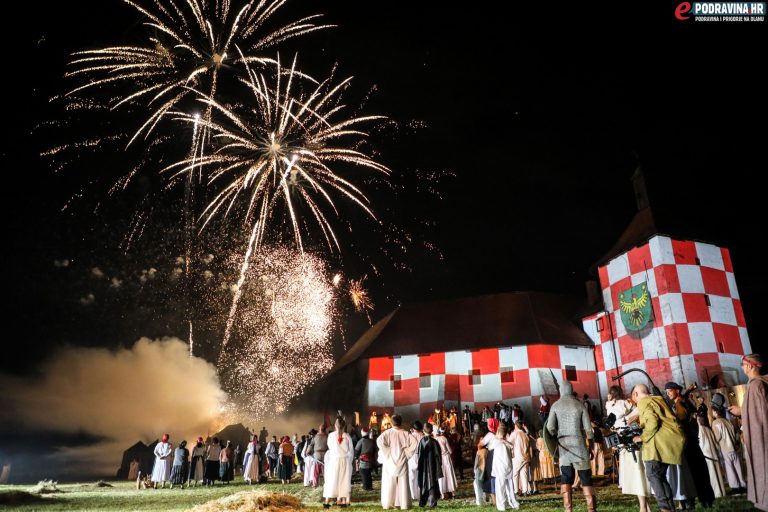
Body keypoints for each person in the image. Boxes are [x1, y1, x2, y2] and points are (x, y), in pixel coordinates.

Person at [632, 383, 686, 512]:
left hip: (656, 448)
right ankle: (669, 507)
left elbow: (652, 422)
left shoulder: (644, 402)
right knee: (660, 477)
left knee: (653, 476)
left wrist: (642, 437)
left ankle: (665, 508)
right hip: (668, 446)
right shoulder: (658, 399)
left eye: (634, 398)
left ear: (635, 394)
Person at [547, 380, 596, 512]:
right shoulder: (580, 405)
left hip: (564, 447)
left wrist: (556, 436)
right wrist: (591, 446)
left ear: (561, 390)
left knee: (566, 478)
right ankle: (591, 509)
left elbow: (550, 427)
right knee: (585, 478)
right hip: (579, 445)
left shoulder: (555, 406)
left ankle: (568, 510)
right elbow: (588, 430)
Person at [728, 353, 768, 511]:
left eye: (744, 365)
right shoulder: (762, 383)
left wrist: (740, 410)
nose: (742, 367)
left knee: (763, 466)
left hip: (762, 437)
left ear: (751, 366)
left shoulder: (755, 385)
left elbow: (761, 412)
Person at [377, 414, 418, 510]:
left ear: (391, 423)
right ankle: (404, 504)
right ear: (401, 422)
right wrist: (406, 453)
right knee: (403, 484)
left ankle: (388, 503)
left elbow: (379, 441)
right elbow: (415, 443)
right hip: (402, 460)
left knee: (389, 483)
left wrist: (388, 452)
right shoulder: (406, 433)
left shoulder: (387, 433)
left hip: (390, 462)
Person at [711, 401, 746, 493]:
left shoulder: (716, 423)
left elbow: (717, 437)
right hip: (733, 447)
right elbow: (735, 433)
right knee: (738, 466)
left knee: (729, 467)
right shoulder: (728, 421)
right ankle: (742, 484)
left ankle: (735, 487)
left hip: (725, 448)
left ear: (715, 412)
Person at [323, 417, 354, 507]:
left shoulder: (331, 435)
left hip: (334, 461)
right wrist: (349, 460)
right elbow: (351, 450)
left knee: (331, 480)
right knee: (343, 480)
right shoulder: (347, 436)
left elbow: (330, 447)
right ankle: (343, 502)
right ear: (344, 426)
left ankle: (327, 502)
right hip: (344, 460)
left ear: (335, 425)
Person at [489, 425, 520, 511]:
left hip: (500, 468)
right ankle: (514, 503)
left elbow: (490, 447)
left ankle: (501, 506)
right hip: (508, 467)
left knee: (500, 487)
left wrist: (497, 438)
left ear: (498, 433)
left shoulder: (496, 442)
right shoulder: (508, 444)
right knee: (510, 486)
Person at [697, 416, 725, 498]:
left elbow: (701, 443)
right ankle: (722, 492)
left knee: (713, 476)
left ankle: (717, 493)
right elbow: (715, 443)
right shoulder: (708, 429)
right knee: (718, 475)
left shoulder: (700, 430)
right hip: (713, 454)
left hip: (707, 455)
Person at [417, 422, 443, 508]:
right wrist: (439, 465)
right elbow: (438, 456)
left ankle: (423, 501)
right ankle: (432, 502)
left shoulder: (421, 442)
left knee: (424, 482)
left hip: (423, 466)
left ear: (423, 431)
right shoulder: (434, 442)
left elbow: (419, 455)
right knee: (432, 482)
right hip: (432, 466)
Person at [508, 420, 530, 496]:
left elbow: (508, 443)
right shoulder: (525, 434)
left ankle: (516, 491)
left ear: (515, 426)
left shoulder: (515, 433)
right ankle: (525, 491)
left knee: (515, 474)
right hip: (526, 457)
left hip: (518, 457)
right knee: (524, 474)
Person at [435, 427, 457, 499]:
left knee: (441, 476)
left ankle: (443, 493)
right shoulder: (444, 438)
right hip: (446, 458)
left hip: (439, 459)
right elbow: (450, 450)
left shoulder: (435, 439)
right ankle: (453, 492)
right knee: (449, 474)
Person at [408, 421, 425, 500]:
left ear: (413, 428)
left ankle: (413, 495)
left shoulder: (410, 436)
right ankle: (421, 493)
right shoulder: (424, 436)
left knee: (411, 477)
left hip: (412, 457)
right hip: (422, 458)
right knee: (421, 477)